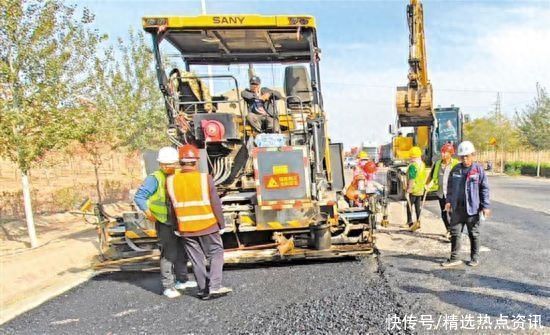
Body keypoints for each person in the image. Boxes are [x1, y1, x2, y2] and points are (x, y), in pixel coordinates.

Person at [166, 144, 232, 299]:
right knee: (216, 253)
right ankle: (215, 286)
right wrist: (221, 224)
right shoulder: (205, 178)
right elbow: (215, 203)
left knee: (196, 260)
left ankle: (203, 289)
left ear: (180, 162)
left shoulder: (170, 181)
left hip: (185, 227)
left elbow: (172, 206)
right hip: (207, 224)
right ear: (196, 162)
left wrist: (176, 227)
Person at [134, 146, 197, 298]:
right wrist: (149, 213)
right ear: (160, 164)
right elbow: (139, 197)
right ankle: (168, 285)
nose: (169, 167)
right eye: (166, 165)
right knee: (169, 254)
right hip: (164, 222)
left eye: (172, 164)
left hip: (180, 221)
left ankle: (182, 280)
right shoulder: (154, 178)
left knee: (182, 251)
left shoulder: (179, 175)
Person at [441, 141, 490, 268]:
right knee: (455, 233)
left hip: (472, 209)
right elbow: (450, 187)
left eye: (467, 156)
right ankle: (454, 258)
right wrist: (448, 201)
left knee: (474, 233)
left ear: (473, 155)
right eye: (462, 157)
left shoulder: (478, 170)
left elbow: (484, 188)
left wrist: (485, 206)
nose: (465, 159)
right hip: (457, 208)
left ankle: (474, 257)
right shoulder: (456, 169)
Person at [425, 143, 459, 240]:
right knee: (444, 213)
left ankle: (454, 232)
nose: (443, 154)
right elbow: (433, 177)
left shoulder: (455, 164)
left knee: (452, 213)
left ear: (451, 153)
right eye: (442, 152)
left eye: (445, 153)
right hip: (441, 193)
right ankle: (448, 230)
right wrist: (428, 185)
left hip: (452, 194)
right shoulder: (438, 163)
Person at [405, 146, 426, 232]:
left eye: (411, 157)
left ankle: (410, 222)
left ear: (413, 157)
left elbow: (412, 179)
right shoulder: (422, 164)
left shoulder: (413, 166)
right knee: (418, 207)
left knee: (409, 206)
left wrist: (408, 190)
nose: (410, 158)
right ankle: (418, 221)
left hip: (413, 190)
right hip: (420, 189)